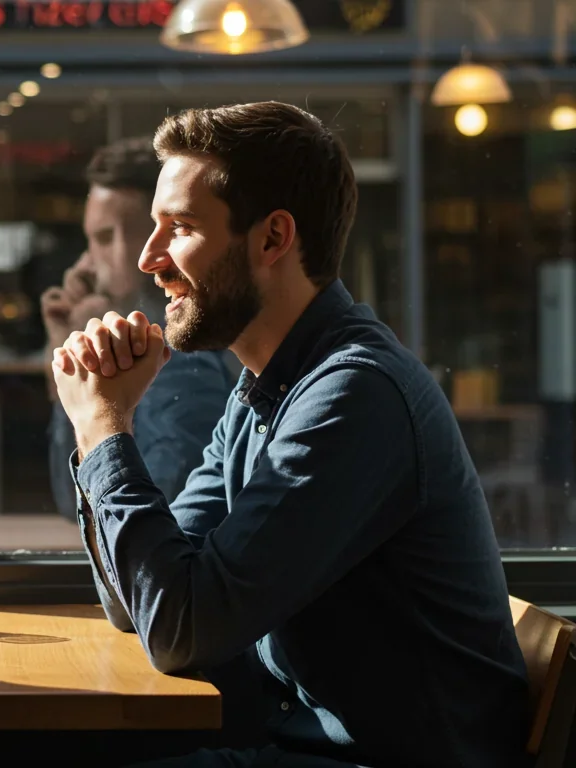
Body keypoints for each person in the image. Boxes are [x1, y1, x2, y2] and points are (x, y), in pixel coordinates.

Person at [51, 102, 530, 767]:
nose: (148, 259)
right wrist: (103, 428)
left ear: (273, 238)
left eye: (180, 227)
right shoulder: (262, 391)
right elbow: (140, 605)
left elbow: (179, 629)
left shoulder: (353, 394)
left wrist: (103, 426)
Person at [41, 137, 235, 519]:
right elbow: (72, 501)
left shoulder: (179, 354)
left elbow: (161, 513)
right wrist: (71, 359)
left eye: (104, 237)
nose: (88, 262)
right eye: (93, 239)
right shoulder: (144, 345)